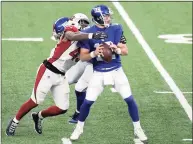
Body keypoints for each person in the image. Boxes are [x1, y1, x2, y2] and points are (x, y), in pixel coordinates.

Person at [5, 18, 107, 136]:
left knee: (62, 108)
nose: (85, 26)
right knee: (35, 101)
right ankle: (14, 121)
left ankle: (38, 116)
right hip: (48, 71)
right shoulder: (71, 31)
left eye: (86, 24)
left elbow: (89, 55)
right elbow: (72, 36)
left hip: (61, 76)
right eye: (83, 24)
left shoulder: (86, 41)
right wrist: (92, 35)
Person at [69, 4, 148, 143]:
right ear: (98, 18)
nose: (108, 17)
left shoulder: (116, 28)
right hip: (98, 72)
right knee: (87, 102)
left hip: (116, 70)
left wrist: (115, 49)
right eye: (106, 16)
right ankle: (79, 128)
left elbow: (125, 50)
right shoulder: (88, 32)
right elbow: (83, 57)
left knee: (129, 99)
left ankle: (138, 128)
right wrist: (95, 52)